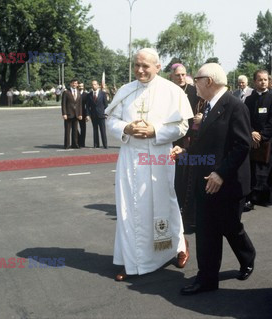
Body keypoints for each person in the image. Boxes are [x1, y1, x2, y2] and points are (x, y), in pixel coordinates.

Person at [105, 48, 194, 281]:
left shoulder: (171, 91)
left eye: (145, 66)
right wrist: (126, 128)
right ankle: (131, 261)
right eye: (136, 65)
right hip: (129, 158)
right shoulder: (125, 91)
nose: (140, 70)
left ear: (158, 67)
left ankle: (177, 247)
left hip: (157, 156)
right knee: (128, 209)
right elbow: (111, 120)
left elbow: (182, 126)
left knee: (164, 204)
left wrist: (155, 130)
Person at [172, 63, 256, 295]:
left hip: (228, 182)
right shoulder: (207, 106)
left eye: (196, 79)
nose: (193, 83)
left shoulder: (235, 106)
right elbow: (204, 143)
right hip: (206, 182)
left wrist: (221, 173)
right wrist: (186, 154)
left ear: (208, 81)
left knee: (231, 227)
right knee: (207, 231)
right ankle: (207, 279)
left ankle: (247, 256)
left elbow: (242, 145)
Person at [170, 63, 204, 230]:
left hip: (189, 138)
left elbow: (202, 107)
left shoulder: (193, 90)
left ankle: (187, 208)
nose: (181, 78)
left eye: (183, 74)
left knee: (188, 174)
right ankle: (175, 206)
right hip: (171, 137)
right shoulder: (167, 90)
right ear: (172, 76)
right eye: (178, 75)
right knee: (174, 174)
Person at [243, 70, 272, 211]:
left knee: (266, 169)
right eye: (260, 80)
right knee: (252, 170)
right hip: (252, 140)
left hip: (267, 141)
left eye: (265, 80)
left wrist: (262, 136)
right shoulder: (249, 99)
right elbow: (245, 119)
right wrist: (252, 132)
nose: (263, 82)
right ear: (255, 82)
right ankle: (251, 198)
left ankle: (265, 198)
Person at [61, 78, 82, 149]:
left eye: (76, 83)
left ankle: (75, 144)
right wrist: (64, 113)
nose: (74, 84)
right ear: (70, 84)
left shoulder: (78, 92)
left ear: (77, 84)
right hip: (68, 114)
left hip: (76, 115)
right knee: (67, 131)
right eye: (73, 83)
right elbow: (63, 104)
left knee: (75, 131)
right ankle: (67, 145)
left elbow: (79, 104)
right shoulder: (66, 92)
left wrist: (80, 114)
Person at [86, 80, 108, 148]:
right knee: (95, 130)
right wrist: (88, 115)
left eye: (95, 84)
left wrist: (105, 113)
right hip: (93, 115)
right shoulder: (89, 94)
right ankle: (96, 144)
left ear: (98, 85)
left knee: (103, 130)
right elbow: (87, 106)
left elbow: (106, 105)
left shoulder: (103, 94)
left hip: (101, 115)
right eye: (92, 84)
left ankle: (105, 145)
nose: (93, 86)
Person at [77, 82, 88, 147]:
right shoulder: (75, 93)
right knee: (74, 128)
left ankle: (82, 143)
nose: (81, 87)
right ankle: (78, 140)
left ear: (83, 87)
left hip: (83, 114)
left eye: (82, 86)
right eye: (79, 86)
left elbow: (87, 106)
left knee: (83, 128)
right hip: (75, 113)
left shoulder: (86, 95)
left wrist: (87, 115)